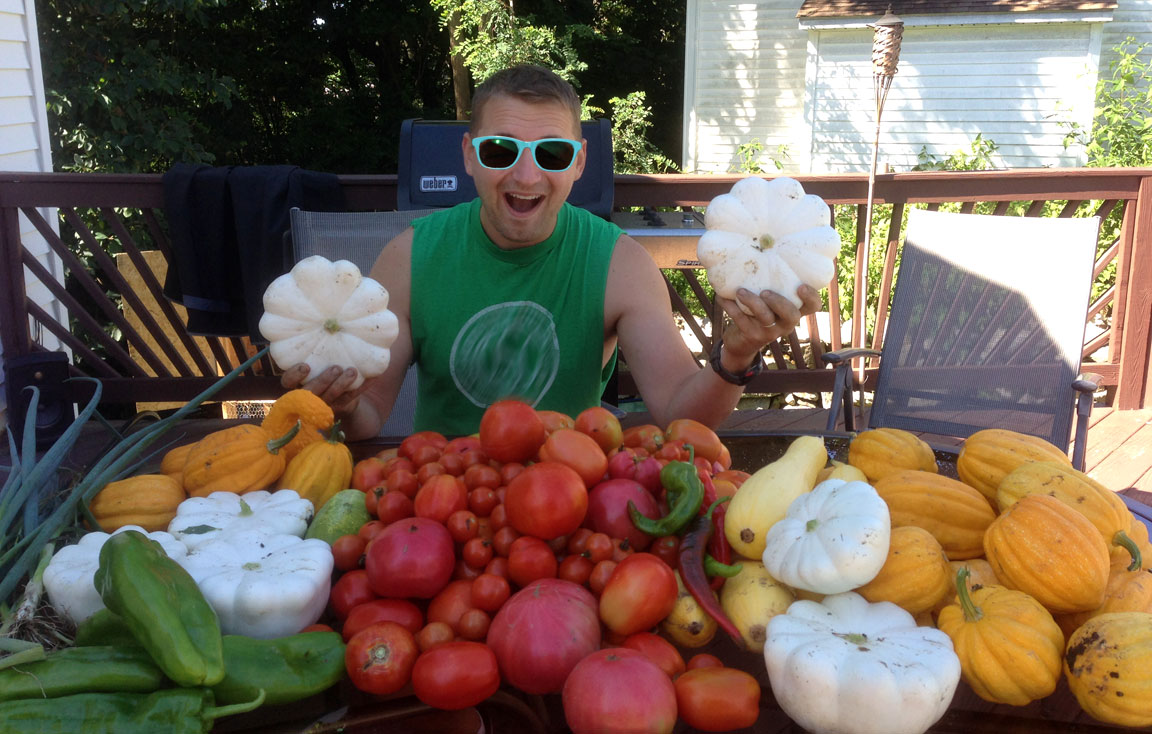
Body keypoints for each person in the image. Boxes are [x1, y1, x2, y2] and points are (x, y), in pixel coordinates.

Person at [281, 64, 822, 440]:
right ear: (469, 157)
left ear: (579, 163)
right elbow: (370, 416)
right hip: (443, 498)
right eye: (500, 149)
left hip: (566, 500)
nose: (526, 174)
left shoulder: (620, 264)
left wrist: (736, 356)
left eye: (552, 152)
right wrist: (341, 406)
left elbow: (679, 413)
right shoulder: (408, 258)